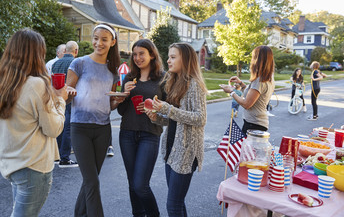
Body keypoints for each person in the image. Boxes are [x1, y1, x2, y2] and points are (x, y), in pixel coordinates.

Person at [0, 29, 69, 216]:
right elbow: (53, 128)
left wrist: (52, 99)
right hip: (34, 166)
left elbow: (25, 117)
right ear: (37, 54)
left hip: (12, 164)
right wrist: (61, 100)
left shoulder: (3, 82)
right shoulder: (36, 84)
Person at [66, 23, 126, 217]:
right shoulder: (79, 63)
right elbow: (65, 94)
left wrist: (118, 101)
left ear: (112, 42)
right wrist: (69, 93)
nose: (98, 43)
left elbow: (110, 104)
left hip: (103, 129)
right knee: (92, 181)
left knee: (89, 180)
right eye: (95, 38)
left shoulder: (113, 70)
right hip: (80, 127)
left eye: (104, 39)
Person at [146, 43, 207, 217]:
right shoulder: (173, 81)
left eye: (173, 57)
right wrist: (157, 117)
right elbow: (173, 120)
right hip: (172, 148)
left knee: (172, 205)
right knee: (177, 204)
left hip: (186, 151)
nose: (168, 60)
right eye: (169, 56)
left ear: (185, 60)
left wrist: (167, 109)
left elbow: (200, 118)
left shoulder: (194, 84)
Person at [117, 39, 165, 217]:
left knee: (140, 185)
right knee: (132, 183)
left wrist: (153, 109)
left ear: (152, 54)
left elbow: (168, 109)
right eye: (135, 54)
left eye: (141, 54)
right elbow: (122, 111)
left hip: (150, 134)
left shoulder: (163, 78)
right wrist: (124, 95)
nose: (137, 58)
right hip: (127, 133)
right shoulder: (129, 78)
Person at [220, 45, 275, 135]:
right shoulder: (268, 77)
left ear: (258, 60)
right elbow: (253, 95)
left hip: (254, 124)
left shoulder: (259, 80)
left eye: (253, 57)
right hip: (257, 124)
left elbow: (246, 104)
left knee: (246, 149)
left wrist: (231, 92)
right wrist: (241, 84)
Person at [52, 41, 79, 167]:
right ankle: (64, 157)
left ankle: (56, 155)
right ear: (76, 51)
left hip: (56, 98)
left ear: (65, 50)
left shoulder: (56, 63)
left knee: (58, 126)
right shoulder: (75, 63)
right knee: (68, 127)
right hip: (70, 98)